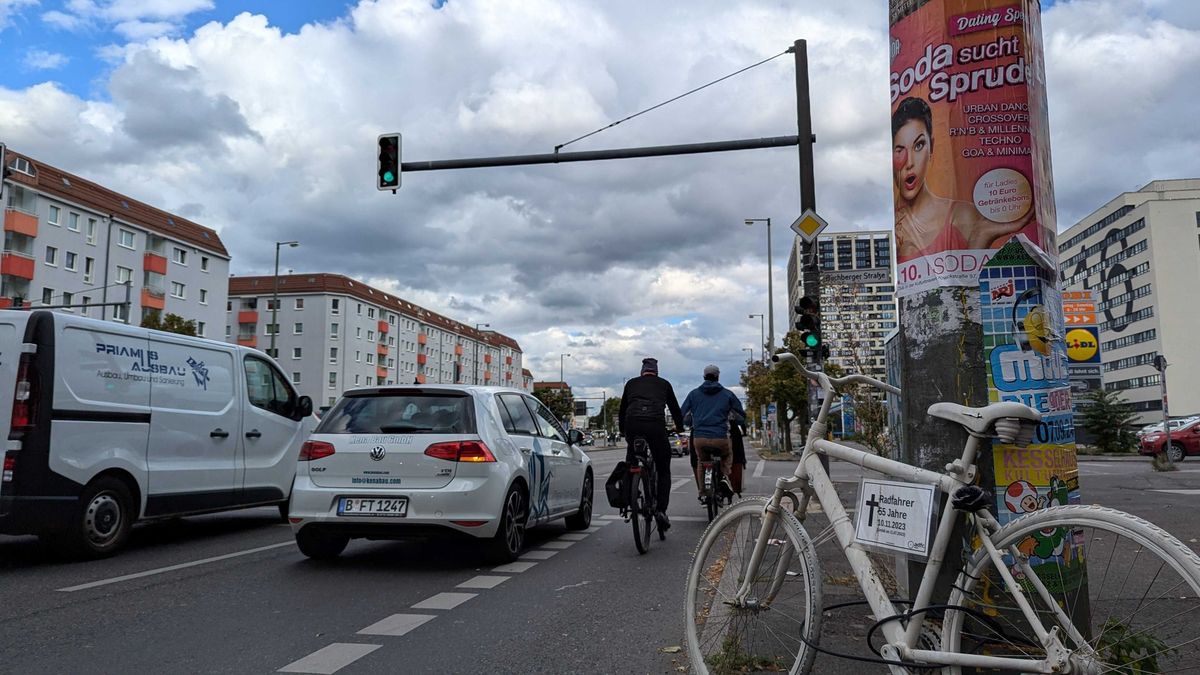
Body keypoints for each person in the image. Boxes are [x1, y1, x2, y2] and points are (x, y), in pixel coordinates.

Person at [892, 96, 1030, 261]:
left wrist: (981, 238)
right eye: (900, 150)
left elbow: (976, 285)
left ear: (932, 147)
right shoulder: (897, 229)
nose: (909, 162)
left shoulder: (962, 215)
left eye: (918, 145)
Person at [619, 357, 684, 531]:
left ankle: (629, 497)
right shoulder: (664, 384)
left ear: (642, 372)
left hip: (633, 424)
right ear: (656, 372)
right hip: (655, 425)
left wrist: (623, 431)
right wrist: (680, 426)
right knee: (663, 468)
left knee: (631, 461)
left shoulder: (631, 384)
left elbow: (622, 409)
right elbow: (675, 409)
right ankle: (661, 510)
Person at [681, 365, 746, 500]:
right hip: (720, 438)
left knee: (701, 461)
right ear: (718, 377)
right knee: (728, 454)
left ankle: (702, 492)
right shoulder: (727, 394)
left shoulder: (693, 394)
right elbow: (740, 413)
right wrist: (739, 421)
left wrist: (688, 423)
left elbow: (683, 415)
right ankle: (725, 477)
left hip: (699, 438)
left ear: (704, 377)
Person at [728, 412, 748, 498]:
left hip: (702, 433)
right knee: (735, 457)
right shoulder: (730, 399)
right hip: (730, 432)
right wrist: (744, 431)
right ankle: (736, 486)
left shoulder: (696, 398)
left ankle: (703, 491)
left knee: (701, 460)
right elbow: (741, 417)